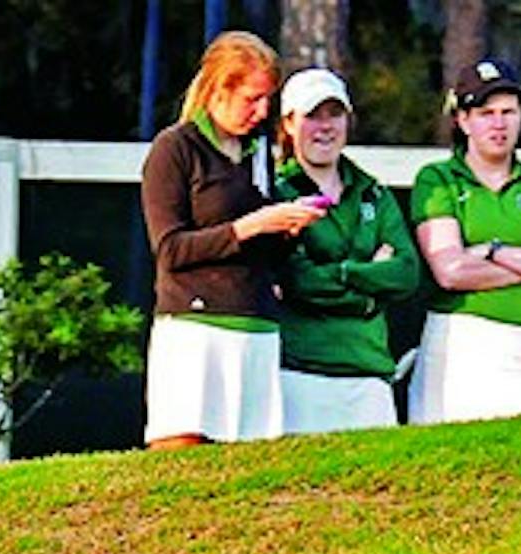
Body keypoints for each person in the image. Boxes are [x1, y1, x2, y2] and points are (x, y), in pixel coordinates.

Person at [140, 30, 327, 449]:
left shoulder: (257, 153)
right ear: (218, 89)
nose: (261, 112)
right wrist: (251, 225)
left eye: (267, 100)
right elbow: (170, 250)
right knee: (182, 462)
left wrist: (288, 229)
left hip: (256, 327)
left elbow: (267, 253)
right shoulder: (175, 149)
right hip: (196, 327)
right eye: (251, 99)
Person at [406, 58, 521, 425]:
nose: (499, 123)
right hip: (461, 353)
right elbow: (451, 271)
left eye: (508, 111)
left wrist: (492, 252)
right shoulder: (439, 180)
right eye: (486, 112)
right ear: (463, 120)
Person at [272, 67, 420, 433]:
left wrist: (340, 272)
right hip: (300, 371)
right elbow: (298, 280)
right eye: (312, 115)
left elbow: (405, 273)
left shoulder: (374, 192)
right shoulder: (277, 193)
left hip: (369, 372)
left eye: (334, 114)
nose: (325, 126)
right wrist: (369, 282)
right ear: (289, 124)